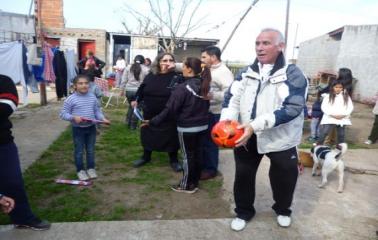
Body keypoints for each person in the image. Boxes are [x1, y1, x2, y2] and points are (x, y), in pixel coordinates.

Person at [220, 28, 308, 231]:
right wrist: (227, 124)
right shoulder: (245, 72)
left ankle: (283, 209)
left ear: (281, 46)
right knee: (243, 175)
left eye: (266, 43)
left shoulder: (293, 74)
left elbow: (292, 108)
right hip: (245, 135)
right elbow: (231, 100)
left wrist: (254, 125)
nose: (259, 48)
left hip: (281, 138)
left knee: (284, 177)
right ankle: (243, 212)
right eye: (257, 43)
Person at [143, 57, 211, 193]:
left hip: (187, 128)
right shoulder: (203, 84)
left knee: (187, 156)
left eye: (184, 66)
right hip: (202, 126)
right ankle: (194, 181)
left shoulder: (182, 88)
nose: (182, 68)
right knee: (197, 154)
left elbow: (169, 110)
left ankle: (186, 185)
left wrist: (152, 121)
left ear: (189, 69)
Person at [0, 74, 51, 230]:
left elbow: (6, 107)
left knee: (13, 182)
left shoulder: (3, 81)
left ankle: (22, 217)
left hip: (2, 144)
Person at [131, 53, 183, 172]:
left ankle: (174, 160)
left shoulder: (177, 77)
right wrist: (136, 99)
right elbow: (142, 89)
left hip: (168, 114)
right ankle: (146, 156)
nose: (167, 63)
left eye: (170, 60)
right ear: (158, 62)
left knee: (171, 136)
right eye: (164, 60)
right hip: (149, 111)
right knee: (148, 134)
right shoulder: (151, 75)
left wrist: (176, 67)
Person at [60, 75, 110, 181]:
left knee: (90, 150)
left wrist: (103, 119)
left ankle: (91, 168)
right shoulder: (71, 99)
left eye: (86, 83)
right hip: (78, 129)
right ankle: (80, 170)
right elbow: (63, 114)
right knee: (79, 151)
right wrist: (73, 117)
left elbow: (97, 111)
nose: (84, 85)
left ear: (89, 84)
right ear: (75, 86)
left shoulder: (92, 97)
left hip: (91, 128)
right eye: (80, 83)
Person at [200, 46, 234, 180]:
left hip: (216, 112)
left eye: (204, 57)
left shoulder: (224, 72)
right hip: (206, 110)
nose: (201, 59)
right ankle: (204, 164)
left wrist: (212, 95)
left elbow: (230, 93)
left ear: (213, 57)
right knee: (204, 139)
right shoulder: (208, 69)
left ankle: (210, 169)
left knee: (211, 141)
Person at [316, 79, 354, 146]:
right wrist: (332, 115)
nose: (338, 89)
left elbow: (350, 107)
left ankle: (340, 147)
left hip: (342, 117)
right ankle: (318, 146)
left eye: (340, 87)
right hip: (330, 117)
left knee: (341, 134)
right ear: (332, 87)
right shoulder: (328, 96)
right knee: (325, 132)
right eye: (336, 87)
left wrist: (343, 115)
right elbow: (324, 107)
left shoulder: (346, 97)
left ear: (343, 88)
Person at [122, 55, 150, 129]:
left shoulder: (128, 67)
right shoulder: (146, 69)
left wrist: (122, 90)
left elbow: (124, 80)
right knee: (137, 108)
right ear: (143, 61)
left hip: (128, 90)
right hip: (139, 91)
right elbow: (147, 82)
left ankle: (128, 122)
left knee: (131, 106)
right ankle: (133, 126)